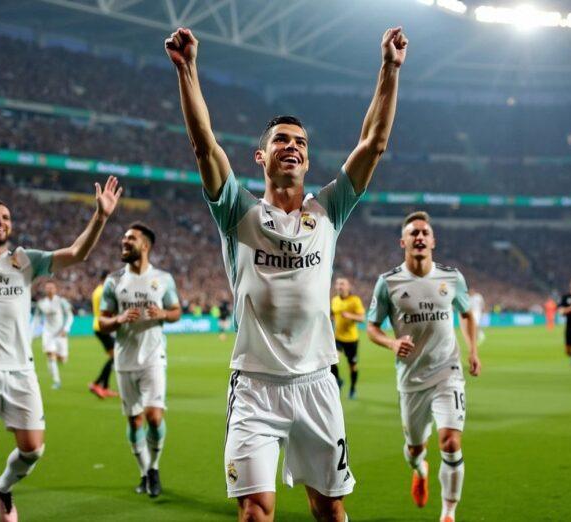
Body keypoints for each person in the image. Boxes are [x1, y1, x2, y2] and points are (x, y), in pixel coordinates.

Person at [166, 23, 407, 522]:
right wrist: (188, 69)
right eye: (280, 140)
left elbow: (373, 143)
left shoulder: (328, 211)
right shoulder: (238, 212)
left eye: (299, 141)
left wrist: (389, 68)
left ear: (308, 158)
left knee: (330, 510)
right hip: (254, 385)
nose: (291, 146)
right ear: (261, 156)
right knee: (255, 511)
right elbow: (204, 146)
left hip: (317, 381)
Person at [0, 177, 122, 522]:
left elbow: (77, 253)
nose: (1, 222)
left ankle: (3, 487)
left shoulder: (25, 261)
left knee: (33, 449)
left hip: (21, 368)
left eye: (6, 218)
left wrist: (100, 217)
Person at [366, 211, 481, 522]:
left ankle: (448, 513)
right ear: (403, 241)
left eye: (424, 233)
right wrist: (391, 343)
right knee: (415, 449)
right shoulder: (387, 283)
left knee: (451, 441)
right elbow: (372, 326)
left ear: (433, 241)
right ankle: (419, 468)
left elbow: (468, 314)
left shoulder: (451, 278)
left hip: (448, 371)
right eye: (413, 233)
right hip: (411, 378)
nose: (419, 237)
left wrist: (472, 351)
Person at [99, 222, 182, 498]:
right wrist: (119, 319)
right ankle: (145, 472)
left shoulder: (163, 279)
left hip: (153, 357)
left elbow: (176, 311)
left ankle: (155, 467)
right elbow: (102, 321)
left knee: (154, 417)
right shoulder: (113, 280)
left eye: (130, 238)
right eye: (123, 238)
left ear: (145, 245)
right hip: (125, 359)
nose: (124, 241)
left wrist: (163, 315)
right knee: (134, 421)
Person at [33, 280, 74, 389]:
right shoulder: (41, 303)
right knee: (51, 355)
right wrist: (33, 333)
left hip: (60, 334)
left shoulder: (62, 301)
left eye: (52, 287)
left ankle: (58, 359)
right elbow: (36, 318)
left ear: (55, 289)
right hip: (47, 333)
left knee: (63, 359)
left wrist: (66, 329)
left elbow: (70, 316)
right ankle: (56, 381)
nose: (49, 289)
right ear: (45, 290)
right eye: (47, 288)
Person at [330, 277, 365, 399]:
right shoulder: (334, 300)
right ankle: (338, 380)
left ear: (348, 287)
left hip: (351, 340)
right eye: (338, 284)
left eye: (342, 284)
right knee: (331, 361)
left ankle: (353, 388)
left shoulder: (355, 300)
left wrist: (349, 315)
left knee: (353, 366)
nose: (339, 286)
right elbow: (333, 315)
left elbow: (362, 318)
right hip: (338, 338)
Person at [89, 270, 118, 398]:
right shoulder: (103, 292)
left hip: (99, 326)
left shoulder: (97, 291)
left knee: (114, 357)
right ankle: (96, 384)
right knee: (115, 357)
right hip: (103, 327)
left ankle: (105, 387)